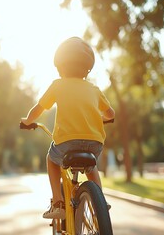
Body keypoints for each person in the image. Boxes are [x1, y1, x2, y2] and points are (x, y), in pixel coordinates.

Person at [21, 37, 115, 219]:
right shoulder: (94, 89)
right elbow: (111, 114)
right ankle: (100, 201)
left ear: (60, 66)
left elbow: (38, 109)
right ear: (88, 68)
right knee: (91, 165)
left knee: (51, 159)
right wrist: (101, 118)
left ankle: (58, 202)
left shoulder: (58, 85)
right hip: (94, 144)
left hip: (67, 143)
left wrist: (27, 120)